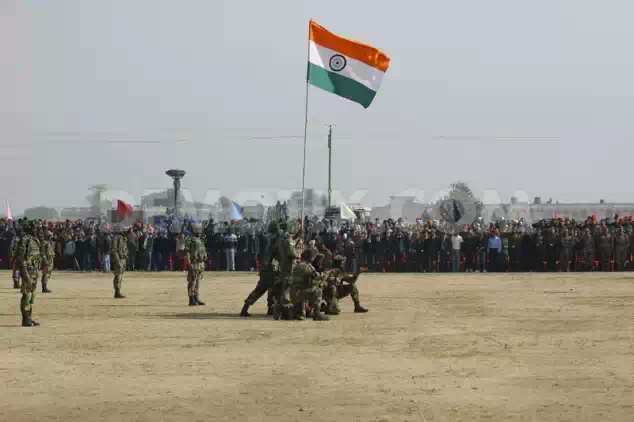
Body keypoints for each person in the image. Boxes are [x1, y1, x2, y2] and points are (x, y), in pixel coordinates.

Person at [240, 221, 280, 317]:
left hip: (265, 270)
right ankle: (271, 308)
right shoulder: (277, 242)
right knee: (273, 290)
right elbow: (277, 257)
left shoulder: (269, 241)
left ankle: (245, 308)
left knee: (259, 290)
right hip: (272, 270)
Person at [290, 248, 329, 321]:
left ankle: (301, 312)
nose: (314, 258)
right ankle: (317, 314)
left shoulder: (297, 266)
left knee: (307, 288)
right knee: (318, 290)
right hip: (300, 294)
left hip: (293, 294)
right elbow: (318, 278)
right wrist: (326, 274)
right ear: (310, 257)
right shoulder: (308, 266)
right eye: (313, 257)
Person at [16, 222, 42, 327]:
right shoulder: (24, 240)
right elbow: (21, 257)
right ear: (30, 229)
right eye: (35, 228)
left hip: (35, 271)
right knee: (26, 295)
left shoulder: (35, 240)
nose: (37, 230)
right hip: (28, 271)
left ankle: (29, 318)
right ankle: (25, 319)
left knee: (32, 296)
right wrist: (24, 272)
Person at [184, 222, 207, 306]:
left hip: (200, 263)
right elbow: (186, 252)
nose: (199, 231)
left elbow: (202, 249)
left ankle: (196, 297)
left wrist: (205, 257)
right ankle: (191, 299)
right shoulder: (189, 239)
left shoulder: (200, 239)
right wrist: (188, 263)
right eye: (197, 229)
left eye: (199, 229)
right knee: (192, 281)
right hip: (193, 263)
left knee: (197, 282)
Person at [111, 224, 128, 298]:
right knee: (118, 276)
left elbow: (125, 249)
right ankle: (117, 292)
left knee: (120, 276)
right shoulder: (116, 238)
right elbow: (114, 250)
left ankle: (118, 291)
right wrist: (117, 260)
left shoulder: (123, 238)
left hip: (123, 259)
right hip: (119, 259)